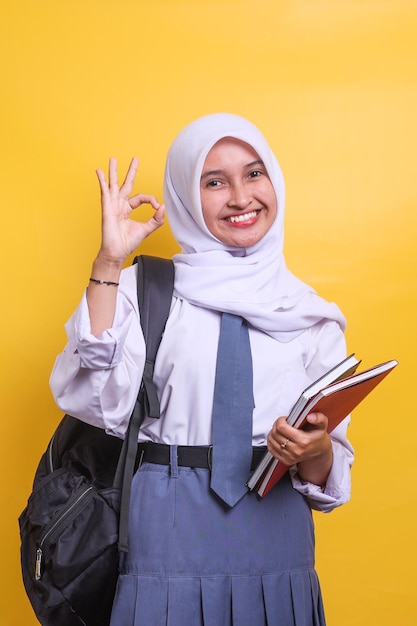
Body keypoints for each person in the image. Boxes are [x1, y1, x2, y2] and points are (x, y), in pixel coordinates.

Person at [50, 113, 354, 625]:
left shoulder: (309, 315)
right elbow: (98, 399)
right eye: (215, 182)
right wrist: (107, 262)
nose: (241, 197)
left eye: (254, 174)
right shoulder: (145, 289)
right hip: (167, 524)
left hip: (275, 525)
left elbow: (327, 478)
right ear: (187, 196)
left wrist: (317, 450)